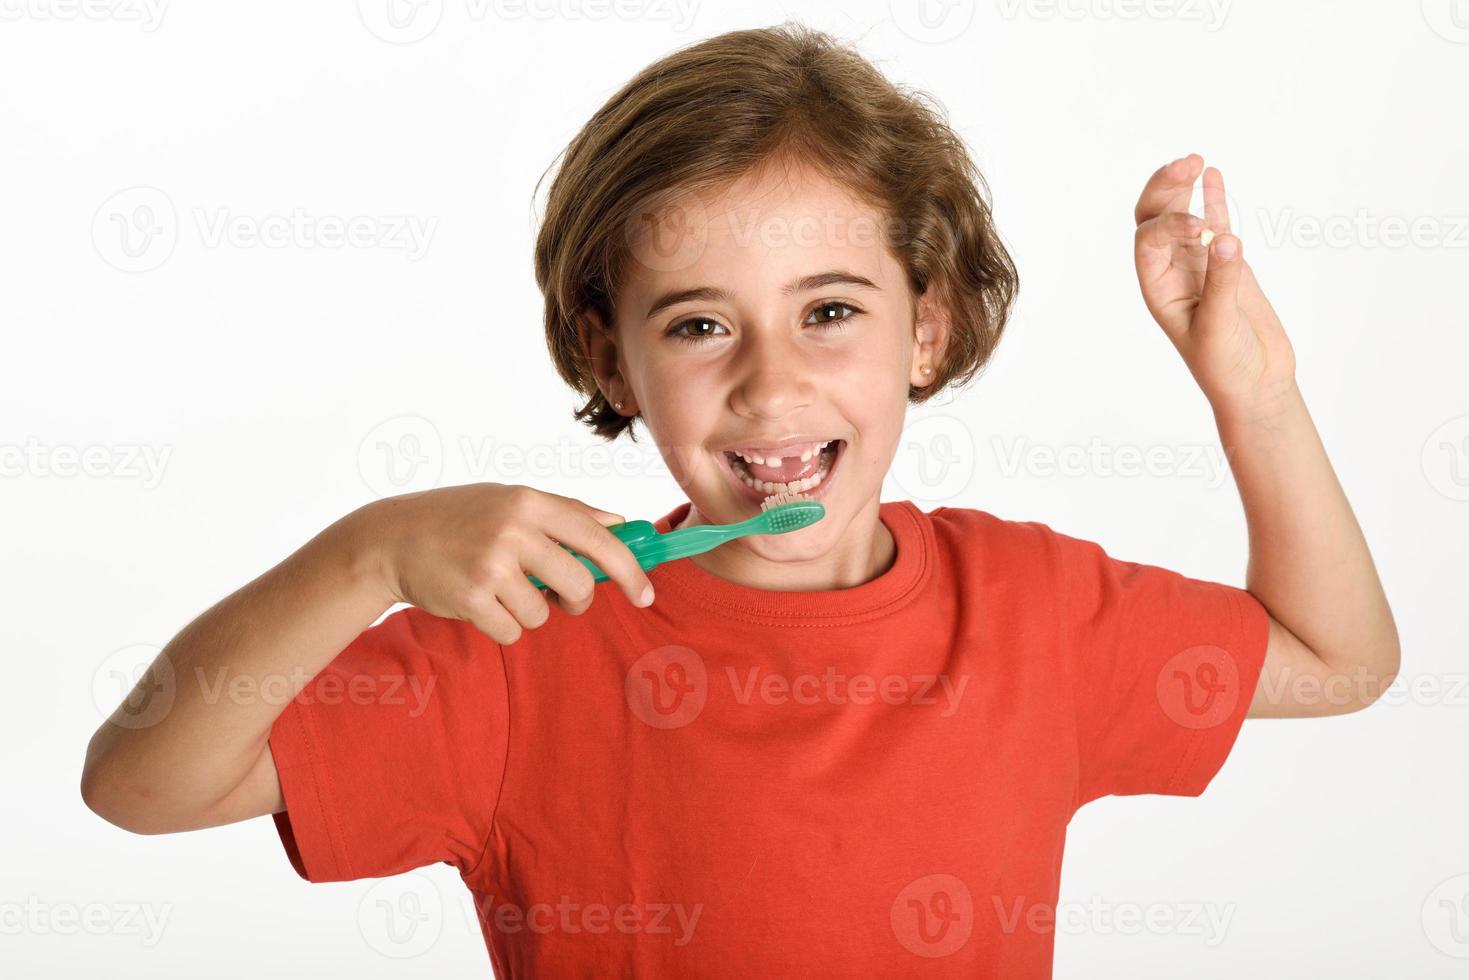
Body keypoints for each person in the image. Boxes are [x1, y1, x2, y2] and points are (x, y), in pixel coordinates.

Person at [82, 22, 1400, 976]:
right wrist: (364, 556)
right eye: (701, 325)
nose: (774, 387)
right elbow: (142, 785)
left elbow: (1338, 663)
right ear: (615, 361)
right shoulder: (527, 632)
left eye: (829, 311)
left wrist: (1255, 393)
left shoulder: (1033, 610)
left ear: (925, 332)